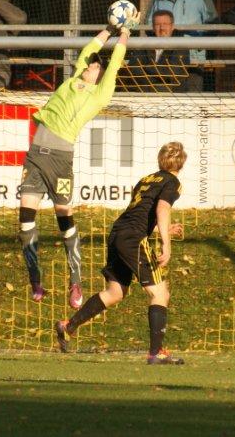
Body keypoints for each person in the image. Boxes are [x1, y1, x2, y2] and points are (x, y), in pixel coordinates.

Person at [19, 18, 135, 309]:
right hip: (35, 155)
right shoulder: (72, 81)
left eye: (97, 66)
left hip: (60, 159)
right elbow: (89, 48)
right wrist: (109, 28)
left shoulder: (99, 94)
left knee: (63, 217)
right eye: (90, 64)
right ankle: (36, 279)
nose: (92, 66)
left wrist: (125, 34)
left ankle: (75, 281)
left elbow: (115, 62)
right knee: (24, 221)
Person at [55, 142, 188, 365]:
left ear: (160, 159)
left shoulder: (146, 180)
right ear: (182, 163)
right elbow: (162, 209)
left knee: (116, 291)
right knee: (160, 293)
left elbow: (138, 214)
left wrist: (160, 228)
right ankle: (156, 353)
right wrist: (166, 243)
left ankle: (68, 326)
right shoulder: (173, 181)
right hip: (133, 239)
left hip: (118, 233)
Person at [121, 10, 200, 93]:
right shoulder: (144, 44)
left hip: (173, 95)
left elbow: (174, 72)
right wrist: (154, 79)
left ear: (172, 26)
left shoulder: (181, 45)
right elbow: (133, 68)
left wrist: (147, 67)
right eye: (158, 24)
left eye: (165, 24)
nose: (162, 28)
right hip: (145, 95)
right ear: (153, 27)